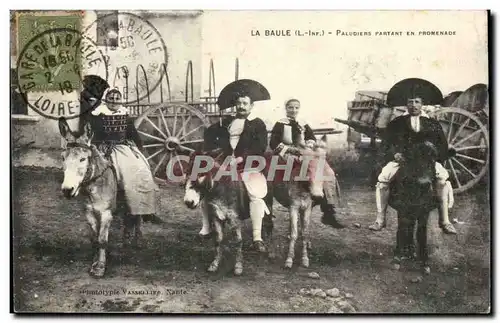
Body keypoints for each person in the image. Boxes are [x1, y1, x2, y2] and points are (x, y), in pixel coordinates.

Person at [368, 96, 457, 234]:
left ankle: (444, 220)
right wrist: (394, 154)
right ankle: (381, 218)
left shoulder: (432, 123)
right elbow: (387, 144)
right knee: (383, 180)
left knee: (442, 180)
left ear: (422, 104)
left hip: (426, 161)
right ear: (406, 104)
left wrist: (433, 156)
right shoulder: (397, 123)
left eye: (417, 102)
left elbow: (442, 146)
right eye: (410, 101)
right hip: (403, 160)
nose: (413, 105)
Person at [79, 75, 160, 222]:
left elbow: (133, 134)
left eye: (117, 99)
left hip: (123, 148)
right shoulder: (97, 114)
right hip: (103, 147)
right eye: (111, 99)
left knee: (142, 171)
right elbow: (93, 131)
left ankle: (145, 210)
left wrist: (139, 151)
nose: (114, 102)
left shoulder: (125, 114)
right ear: (106, 100)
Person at [199, 90, 270, 252]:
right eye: (238, 103)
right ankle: (206, 227)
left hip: (248, 163)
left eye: (245, 103)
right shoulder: (227, 122)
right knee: (205, 187)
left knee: (255, 193)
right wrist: (217, 129)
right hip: (225, 162)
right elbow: (213, 139)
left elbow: (259, 147)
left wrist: (239, 159)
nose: (241, 106)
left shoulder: (257, 124)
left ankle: (257, 237)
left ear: (251, 106)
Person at [269, 98, 345, 229]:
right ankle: (286, 198)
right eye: (290, 107)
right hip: (288, 153)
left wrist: (309, 144)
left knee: (326, 170)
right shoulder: (280, 123)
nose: (293, 110)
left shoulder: (302, 123)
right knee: (288, 170)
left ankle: (328, 209)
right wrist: (291, 149)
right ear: (286, 108)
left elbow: (311, 137)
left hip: (305, 152)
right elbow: (274, 143)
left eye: (296, 108)